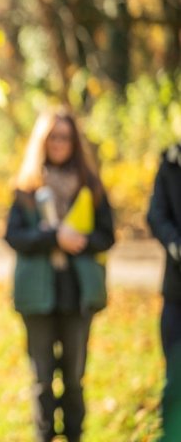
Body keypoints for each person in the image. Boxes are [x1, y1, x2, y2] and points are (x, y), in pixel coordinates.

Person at [5, 110, 114, 442]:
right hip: (36, 295)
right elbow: (14, 237)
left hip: (77, 293)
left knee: (73, 377)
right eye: (53, 136)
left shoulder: (91, 186)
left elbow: (107, 236)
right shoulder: (25, 188)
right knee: (41, 380)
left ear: (75, 142)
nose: (59, 143)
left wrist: (76, 240)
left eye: (65, 136)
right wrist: (53, 238)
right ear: (42, 141)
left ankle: (75, 436)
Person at [148, 141, 181, 440]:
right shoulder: (171, 162)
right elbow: (156, 215)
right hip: (177, 292)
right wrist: (176, 245)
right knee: (175, 378)